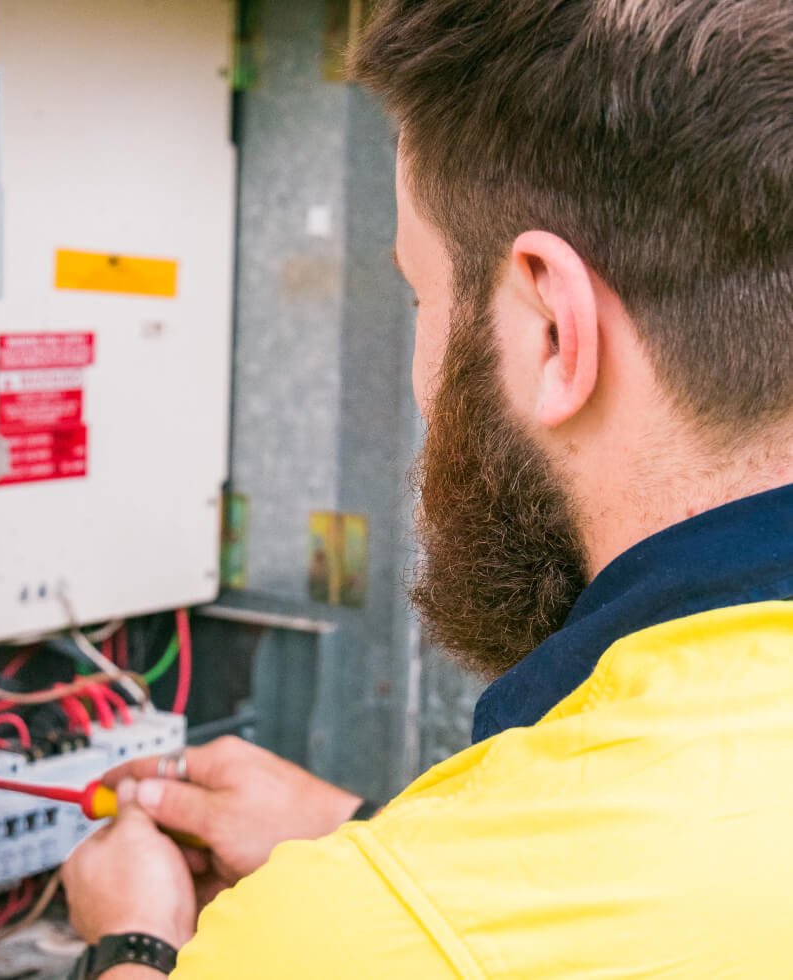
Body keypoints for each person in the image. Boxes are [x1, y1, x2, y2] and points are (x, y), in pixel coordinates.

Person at [62, 0, 793, 975]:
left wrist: (132, 944)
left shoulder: (341, 939)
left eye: (421, 294)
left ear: (549, 330)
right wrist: (361, 829)